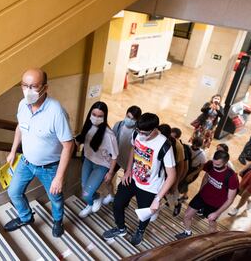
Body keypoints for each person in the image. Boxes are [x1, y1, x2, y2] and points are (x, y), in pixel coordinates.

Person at [4, 68, 74, 237]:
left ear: (45, 87)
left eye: (34, 86)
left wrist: (59, 177)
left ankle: (58, 221)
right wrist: (13, 150)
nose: (28, 91)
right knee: (13, 192)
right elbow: (20, 126)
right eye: (24, 86)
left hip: (49, 167)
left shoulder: (56, 112)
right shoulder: (23, 104)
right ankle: (26, 217)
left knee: (55, 198)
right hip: (26, 162)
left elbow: (69, 145)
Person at [103, 113, 176, 246]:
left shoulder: (165, 145)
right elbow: (133, 149)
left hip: (150, 186)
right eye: (139, 131)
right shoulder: (137, 134)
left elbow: (171, 176)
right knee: (118, 203)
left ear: (155, 130)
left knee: (144, 214)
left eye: (145, 133)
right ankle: (121, 228)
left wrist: (157, 199)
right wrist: (128, 170)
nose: (141, 135)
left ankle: (140, 230)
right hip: (133, 178)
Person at [175, 150, 238, 239]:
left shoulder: (232, 177)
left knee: (211, 223)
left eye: (218, 165)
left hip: (215, 203)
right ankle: (187, 232)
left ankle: (212, 240)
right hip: (202, 196)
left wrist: (217, 213)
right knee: (187, 215)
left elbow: (230, 199)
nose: (215, 167)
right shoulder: (210, 164)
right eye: (214, 164)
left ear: (225, 163)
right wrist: (200, 191)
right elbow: (206, 176)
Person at [75, 102, 119, 217]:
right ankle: (91, 203)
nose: (96, 118)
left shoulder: (109, 135)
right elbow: (83, 139)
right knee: (84, 188)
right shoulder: (88, 127)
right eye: (94, 114)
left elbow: (114, 156)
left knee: (86, 194)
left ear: (104, 117)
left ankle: (97, 197)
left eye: (100, 116)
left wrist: (110, 173)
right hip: (88, 161)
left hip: (101, 166)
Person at [102, 105, 142, 205]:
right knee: (107, 179)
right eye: (128, 117)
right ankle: (111, 195)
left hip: (129, 163)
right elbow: (111, 139)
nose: (129, 120)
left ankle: (123, 202)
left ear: (137, 120)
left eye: (133, 119)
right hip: (117, 158)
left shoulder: (138, 133)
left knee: (126, 185)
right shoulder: (119, 125)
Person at [228, 147, 251, 216]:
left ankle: (236, 209)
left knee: (244, 196)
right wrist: (242, 171)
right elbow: (250, 164)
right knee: (239, 192)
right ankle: (250, 201)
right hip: (249, 175)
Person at [178, 137, 207, 202]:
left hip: (193, 170)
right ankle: (185, 196)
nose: (195, 146)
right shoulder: (187, 146)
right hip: (186, 167)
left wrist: (192, 175)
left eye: (197, 145)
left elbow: (202, 167)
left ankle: (181, 196)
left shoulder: (202, 154)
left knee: (184, 183)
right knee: (183, 182)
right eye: (194, 144)